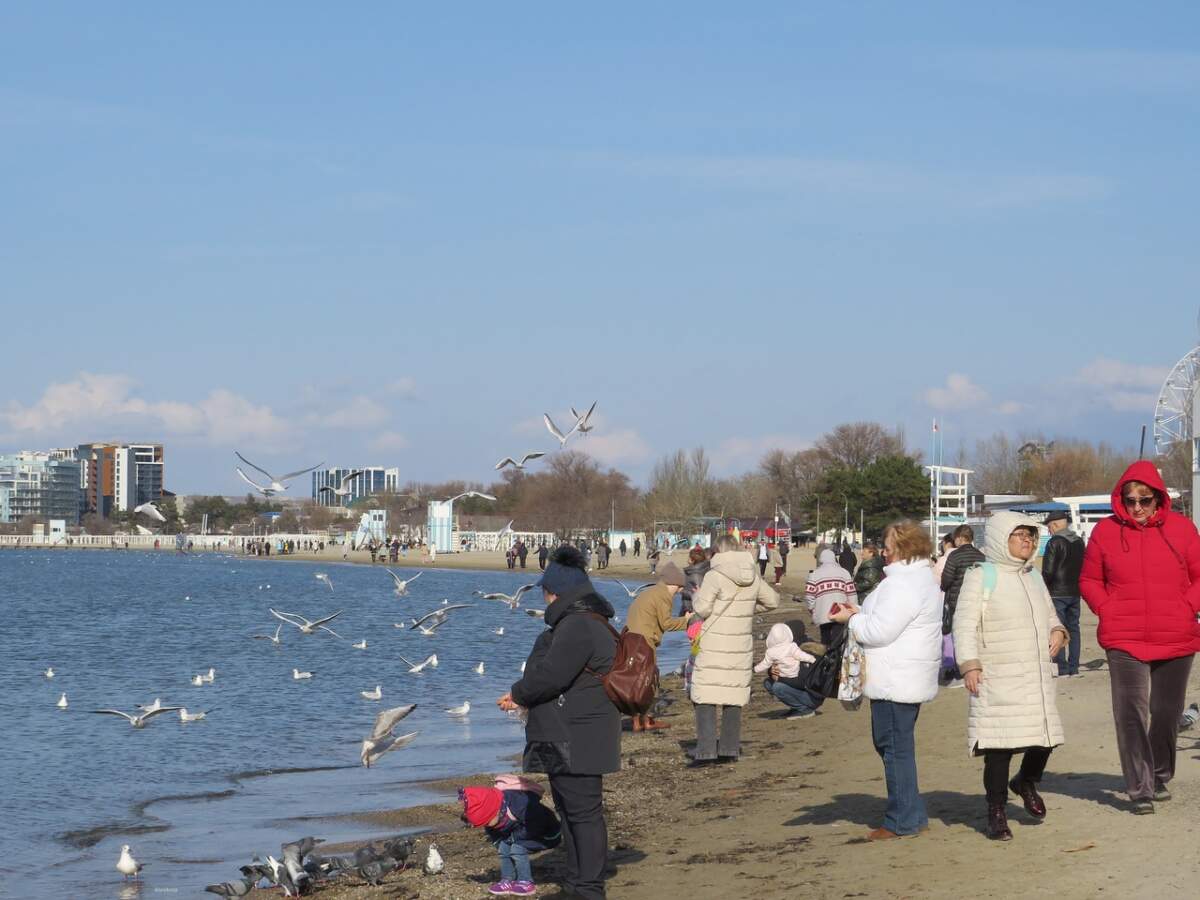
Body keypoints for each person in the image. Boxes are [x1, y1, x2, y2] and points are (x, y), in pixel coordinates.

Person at [499, 545, 620, 899]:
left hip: (575, 735)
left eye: (546, 590)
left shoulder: (576, 625)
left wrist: (518, 693)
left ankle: (588, 887)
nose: (544, 596)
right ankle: (578, 881)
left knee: (582, 813)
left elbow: (550, 676)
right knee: (573, 811)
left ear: (557, 592)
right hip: (576, 732)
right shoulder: (587, 621)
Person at [1080, 461, 1200, 814]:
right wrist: (1108, 609)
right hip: (1124, 637)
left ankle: (1160, 773)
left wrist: (1186, 607)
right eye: (1129, 500)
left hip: (1176, 636)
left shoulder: (1183, 530)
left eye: (1144, 500)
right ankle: (1140, 787)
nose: (1137, 507)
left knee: (1167, 712)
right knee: (1130, 712)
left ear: (1158, 498)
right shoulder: (1104, 531)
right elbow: (1088, 580)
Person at [952, 512, 1067, 841]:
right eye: (1019, 535)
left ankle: (1026, 781)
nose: (1027, 541)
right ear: (1002, 538)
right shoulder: (982, 575)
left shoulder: (1033, 575)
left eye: (1031, 536)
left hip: (1035, 673)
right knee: (998, 746)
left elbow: (1050, 614)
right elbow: (964, 624)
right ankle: (996, 811)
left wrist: (1058, 631)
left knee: (1046, 736)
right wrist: (970, 664)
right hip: (997, 673)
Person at [829, 519, 941, 841]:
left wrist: (852, 620)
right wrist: (859, 612)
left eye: (888, 543)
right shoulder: (916, 579)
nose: (883, 549)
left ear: (902, 546)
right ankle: (912, 815)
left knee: (893, 748)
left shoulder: (903, 583)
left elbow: (879, 631)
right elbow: (885, 620)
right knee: (897, 748)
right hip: (904, 675)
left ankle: (900, 821)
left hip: (896, 678)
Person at [689, 533, 779, 766]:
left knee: (704, 695)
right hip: (740, 645)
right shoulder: (753, 575)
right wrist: (745, 611)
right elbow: (773, 601)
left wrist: (697, 597)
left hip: (714, 643)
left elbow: (703, 608)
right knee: (734, 695)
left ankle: (706, 751)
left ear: (717, 551)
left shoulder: (714, 575)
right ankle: (729, 749)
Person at [460, 779, 562, 896]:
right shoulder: (491, 813)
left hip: (547, 833)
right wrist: (498, 842)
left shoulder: (520, 805)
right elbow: (494, 832)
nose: (487, 825)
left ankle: (526, 882)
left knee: (517, 849)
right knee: (503, 847)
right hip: (521, 832)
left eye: (487, 822)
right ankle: (508, 879)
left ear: (496, 811)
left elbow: (536, 826)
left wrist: (514, 838)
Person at [625, 561, 692, 731]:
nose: (679, 591)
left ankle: (635, 721)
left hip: (632, 640)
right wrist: (687, 620)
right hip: (644, 642)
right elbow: (667, 623)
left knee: (636, 681)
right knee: (649, 680)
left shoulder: (652, 592)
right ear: (675, 583)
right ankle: (647, 720)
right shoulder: (663, 596)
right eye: (679, 587)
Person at [1041, 510, 1085, 678]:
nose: (1049, 531)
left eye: (1050, 527)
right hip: (1074, 592)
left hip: (1057, 593)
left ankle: (1061, 667)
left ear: (1056, 524)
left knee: (1057, 629)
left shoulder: (1055, 542)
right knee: (1074, 629)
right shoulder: (1079, 542)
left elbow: (1048, 570)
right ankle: (1074, 667)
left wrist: (1044, 587)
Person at [939, 524, 985, 685]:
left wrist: (944, 588)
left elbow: (946, 579)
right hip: (978, 600)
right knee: (974, 632)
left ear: (959, 538)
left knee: (957, 634)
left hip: (957, 600)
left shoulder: (955, 556)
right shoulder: (981, 555)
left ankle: (959, 668)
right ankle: (974, 665)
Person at [756, 622, 820, 719]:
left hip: (812, 696)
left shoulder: (808, 651)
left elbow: (803, 682)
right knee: (769, 683)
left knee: (778, 687)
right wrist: (772, 671)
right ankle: (796, 707)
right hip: (800, 689)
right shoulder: (786, 649)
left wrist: (780, 679)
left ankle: (805, 709)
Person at [805, 549, 857, 646]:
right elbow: (851, 594)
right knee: (838, 639)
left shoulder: (814, 574)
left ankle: (826, 657)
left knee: (825, 639)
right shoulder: (844, 573)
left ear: (821, 559)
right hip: (840, 612)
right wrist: (853, 609)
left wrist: (812, 609)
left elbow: (809, 596)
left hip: (822, 612)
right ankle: (836, 658)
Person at [681, 545, 711, 615]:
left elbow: (698, 593)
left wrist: (682, 591)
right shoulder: (698, 571)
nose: (687, 558)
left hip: (692, 609)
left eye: (689, 557)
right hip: (690, 607)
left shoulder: (695, 574)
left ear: (692, 560)